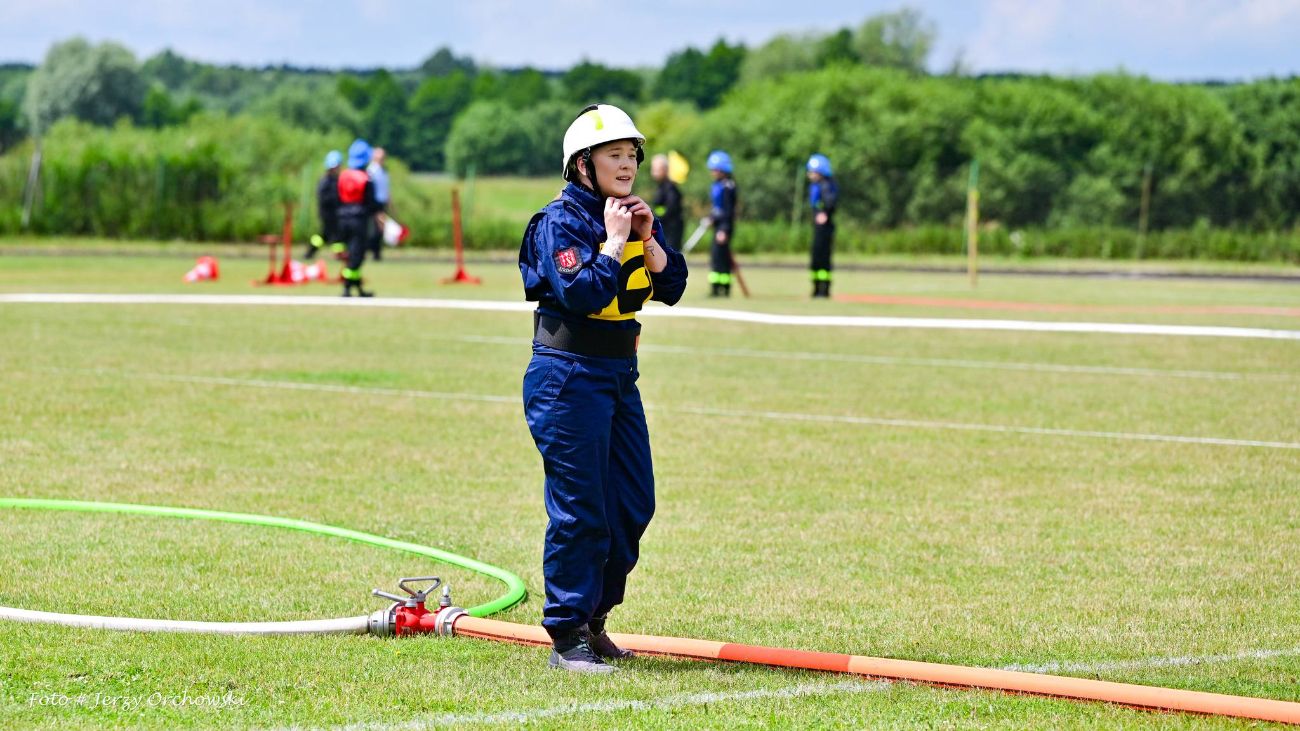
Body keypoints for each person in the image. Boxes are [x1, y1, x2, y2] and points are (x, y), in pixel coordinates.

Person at [518, 103, 688, 673]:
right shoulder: (558, 222)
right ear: (582, 165)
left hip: (619, 374)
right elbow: (583, 292)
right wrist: (614, 244)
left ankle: (596, 620)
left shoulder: (636, 214)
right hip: (567, 375)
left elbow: (672, 286)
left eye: (632, 155)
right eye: (614, 154)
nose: (627, 165)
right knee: (581, 509)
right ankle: (568, 635)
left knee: (633, 504)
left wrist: (648, 242)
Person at [337, 139, 380, 297]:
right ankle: (347, 288)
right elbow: (372, 203)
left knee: (352, 253)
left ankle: (357, 289)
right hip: (359, 220)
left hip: (342, 218)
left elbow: (337, 199)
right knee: (357, 255)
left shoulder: (343, 176)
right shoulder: (366, 179)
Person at [806, 153, 839, 298]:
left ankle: (824, 289)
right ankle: (816, 287)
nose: (810, 174)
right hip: (817, 227)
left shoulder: (827, 185)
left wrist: (824, 212)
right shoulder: (815, 186)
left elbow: (830, 204)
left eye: (812, 171)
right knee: (816, 257)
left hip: (825, 228)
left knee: (823, 257)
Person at [706, 150, 737, 297]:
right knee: (716, 257)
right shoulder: (717, 185)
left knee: (722, 259)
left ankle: (723, 289)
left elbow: (728, 211)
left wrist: (724, 229)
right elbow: (717, 208)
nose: (713, 172)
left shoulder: (728, 187)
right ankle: (715, 288)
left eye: (715, 169)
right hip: (718, 226)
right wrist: (711, 218)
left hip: (724, 228)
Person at [305, 150, 343, 260]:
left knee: (325, 235)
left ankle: (310, 252)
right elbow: (322, 197)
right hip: (328, 214)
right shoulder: (325, 180)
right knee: (334, 235)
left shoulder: (336, 179)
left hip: (335, 213)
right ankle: (338, 254)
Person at [650, 154, 683, 250]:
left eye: (657, 169)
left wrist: (656, 216)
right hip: (663, 226)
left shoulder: (670, 188)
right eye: (653, 169)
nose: (654, 172)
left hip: (671, 229)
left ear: (665, 169)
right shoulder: (661, 186)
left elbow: (671, 208)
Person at [366, 147, 391, 261]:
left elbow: (386, 189)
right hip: (374, 203)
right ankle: (374, 252)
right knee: (376, 229)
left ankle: (376, 252)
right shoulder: (371, 170)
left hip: (382, 202)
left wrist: (390, 203)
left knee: (380, 229)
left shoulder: (384, 171)